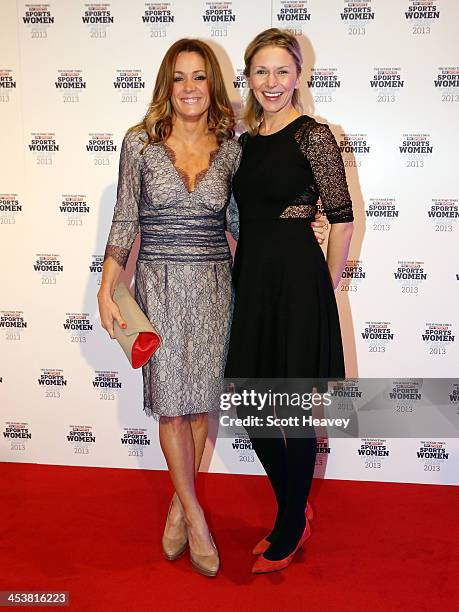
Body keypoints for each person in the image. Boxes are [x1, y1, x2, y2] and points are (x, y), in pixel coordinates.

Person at [98, 36, 328, 577]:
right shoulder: (140, 144)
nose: (189, 88)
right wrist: (109, 287)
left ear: (214, 85)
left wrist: (303, 218)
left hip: (216, 288)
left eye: (199, 76)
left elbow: (246, 220)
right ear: (165, 86)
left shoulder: (233, 147)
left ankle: (181, 502)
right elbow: (125, 219)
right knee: (172, 407)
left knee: (201, 405)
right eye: (179, 77)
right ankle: (197, 519)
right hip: (158, 286)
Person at [224, 28, 354, 574]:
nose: (272, 82)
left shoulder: (315, 136)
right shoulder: (245, 143)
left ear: (299, 75)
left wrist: (325, 286)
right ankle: (294, 511)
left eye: (282, 71)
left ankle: (288, 525)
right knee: (254, 410)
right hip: (252, 284)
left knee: (295, 413)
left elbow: (342, 220)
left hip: (300, 283)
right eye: (261, 71)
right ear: (248, 78)